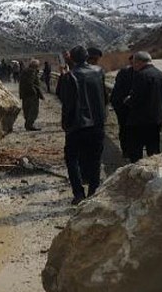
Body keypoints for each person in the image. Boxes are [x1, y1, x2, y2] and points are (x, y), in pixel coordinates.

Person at [57, 46, 106, 205]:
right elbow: (104, 97)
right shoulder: (99, 72)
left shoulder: (69, 76)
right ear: (87, 57)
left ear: (71, 58)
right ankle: (93, 191)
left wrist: (62, 77)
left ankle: (78, 194)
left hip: (76, 124)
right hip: (97, 122)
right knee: (95, 158)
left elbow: (63, 98)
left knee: (72, 159)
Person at [124, 51, 162, 163]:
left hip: (139, 120)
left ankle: (137, 175)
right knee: (153, 150)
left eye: (134, 63)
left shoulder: (141, 76)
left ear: (139, 62)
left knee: (136, 151)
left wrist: (128, 101)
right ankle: (155, 174)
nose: (133, 66)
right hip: (157, 119)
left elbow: (136, 99)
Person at [110, 54, 134, 158]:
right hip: (123, 105)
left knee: (125, 128)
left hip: (122, 104)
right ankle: (127, 151)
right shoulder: (127, 72)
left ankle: (127, 151)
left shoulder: (125, 72)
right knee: (125, 128)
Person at [19, 59, 44, 131]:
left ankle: (27, 124)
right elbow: (30, 83)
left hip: (24, 94)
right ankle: (29, 125)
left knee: (27, 110)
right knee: (33, 110)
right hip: (31, 95)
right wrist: (35, 92)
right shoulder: (32, 72)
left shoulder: (24, 71)